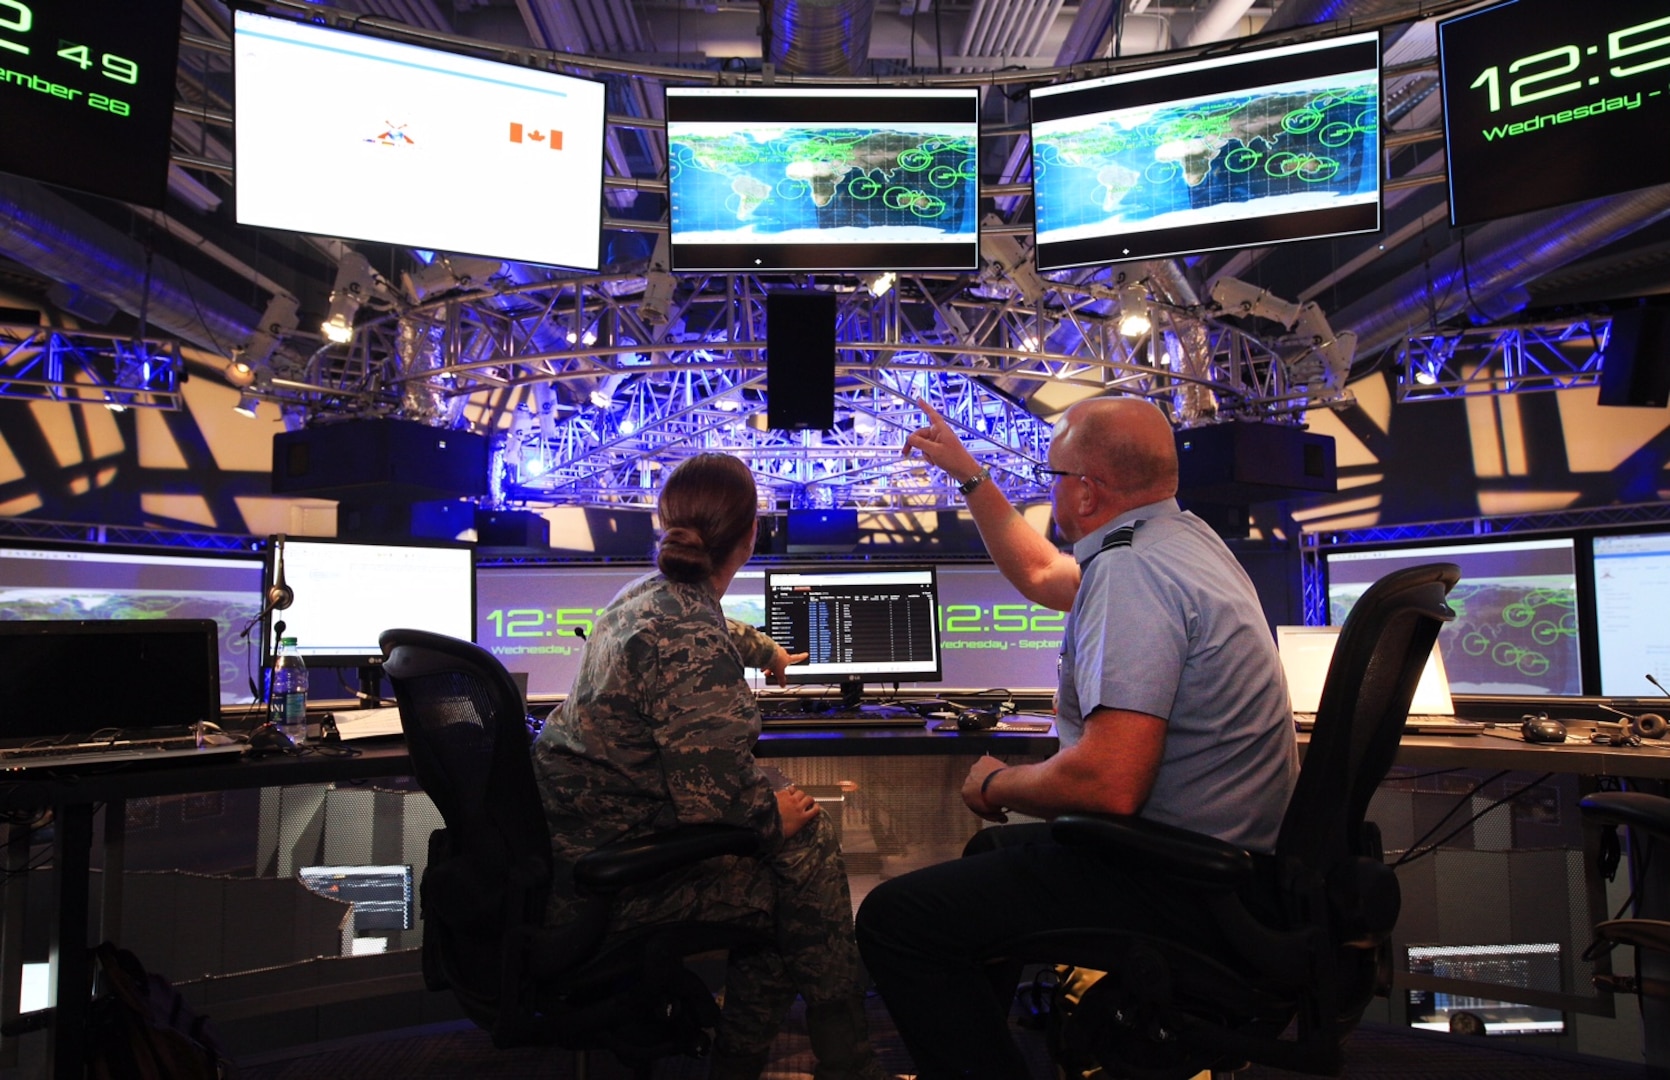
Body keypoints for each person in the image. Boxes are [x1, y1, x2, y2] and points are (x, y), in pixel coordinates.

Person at [854, 395, 1298, 1079]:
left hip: (1181, 881)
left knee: (895, 921)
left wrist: (996, 783)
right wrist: (972, 478)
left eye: (1052, 474)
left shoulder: (1134, 571)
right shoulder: (1179, 540)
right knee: (988, 851)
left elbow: (1109, 782)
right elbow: (1040, 573)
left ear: (1087, 492)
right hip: (1227, 867)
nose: (1048, 487)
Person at [531, 452, 892, 1080]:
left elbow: (712, 623)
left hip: (571, 850)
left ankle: (760, 1060)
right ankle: (839, 1060)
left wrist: (767, 649)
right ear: (751, 536)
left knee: (796, 855)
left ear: (664, 523)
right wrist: (774, 812)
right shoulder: (689, 640)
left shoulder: (643, 596)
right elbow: (718, 807)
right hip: (611, 881)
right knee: (805, 857)